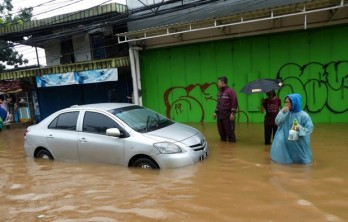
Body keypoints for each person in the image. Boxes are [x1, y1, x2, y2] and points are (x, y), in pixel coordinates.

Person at [270, 93, 314, 164]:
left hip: (299, 143)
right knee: (286, 161)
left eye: (288, 102)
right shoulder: (285, 112)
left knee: (304, 162)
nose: (286, 104)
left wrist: (299, 128)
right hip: (286, 143)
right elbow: (277, 122)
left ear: (295, 102)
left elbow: (309, 128)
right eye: (285, 102)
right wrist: (283, 112)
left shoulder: (304, 116)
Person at [213, 76, 238, 142]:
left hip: (228, 116)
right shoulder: (219, 93)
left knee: (230, 133)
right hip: (219, 116)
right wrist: (215, 112)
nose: (218, 84)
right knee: (221, 132)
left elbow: (234, 102)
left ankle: (232, 150)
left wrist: (232, 113)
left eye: (218, 82)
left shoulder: (230, 91)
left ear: (222, 82)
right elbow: (218, 103)